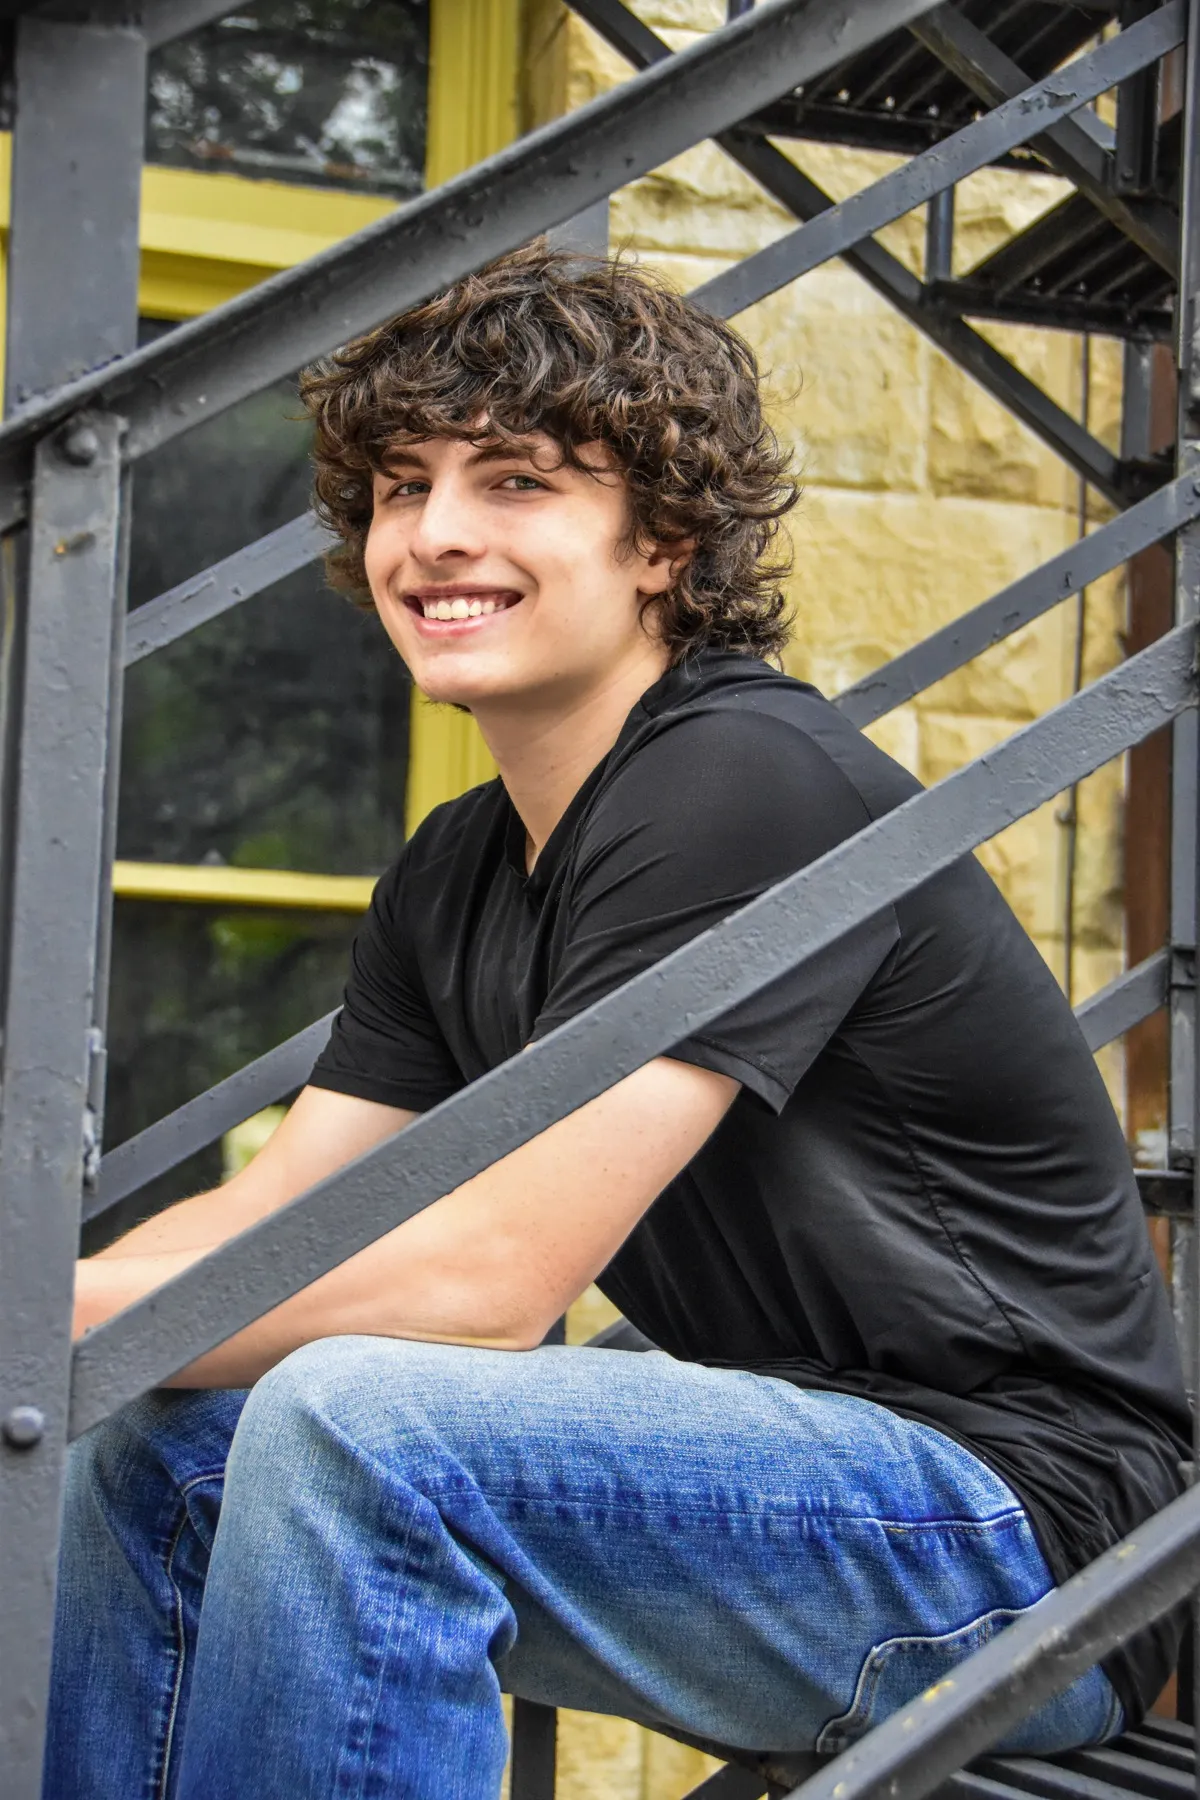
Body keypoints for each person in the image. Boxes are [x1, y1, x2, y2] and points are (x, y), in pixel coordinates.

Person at [47, 246, 1188, 1800]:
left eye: (515, 481)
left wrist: (54, 1323)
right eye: (398, 486)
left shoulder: (746, 780)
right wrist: (59, 1308)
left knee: (362, 1429)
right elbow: (282, 1219)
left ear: (663, 540)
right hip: (790, 1463)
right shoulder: (456, 872)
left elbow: (489, 1286)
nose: (435, 535)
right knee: (156, 1447)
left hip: (1028, 1535)